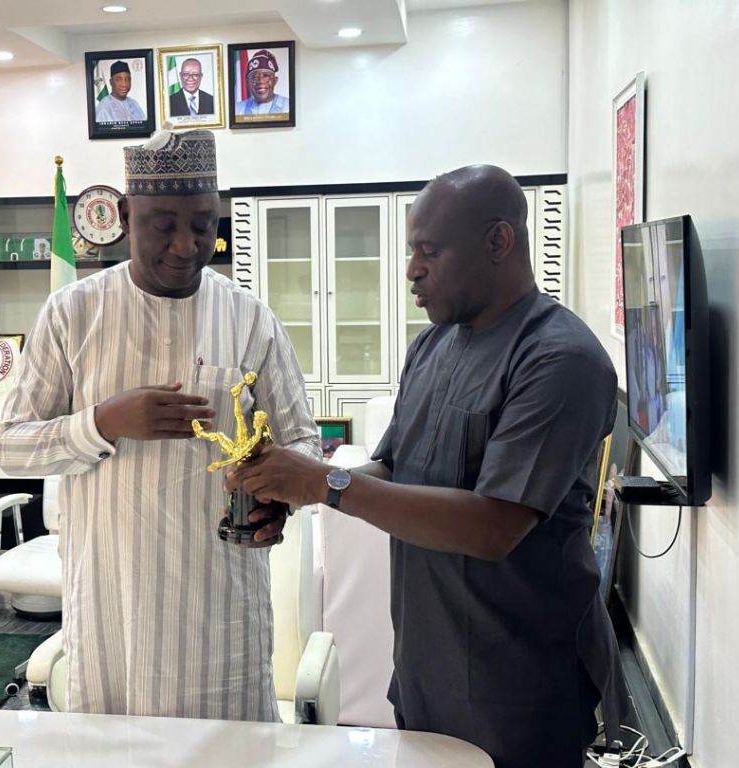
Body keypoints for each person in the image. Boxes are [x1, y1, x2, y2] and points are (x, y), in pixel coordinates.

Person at [226, 165, 628, 768]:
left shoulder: (559, 359)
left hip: (520, 687)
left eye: (429, 251)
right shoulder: (434, 345)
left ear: (498, 243)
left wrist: (325, 482)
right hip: (424, 669)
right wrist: (294, 491)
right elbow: (394, 468)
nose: (411, 269)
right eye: (411, 250)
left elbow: (492, 527)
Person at [0, 128, 320, 721]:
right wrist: (102, 421)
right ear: (125, 215)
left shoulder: (250, 318)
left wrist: (281, 500)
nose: (184, 245)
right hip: (114, 605)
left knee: (230, 757)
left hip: (219, 606)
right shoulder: (73, 312)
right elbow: (12, 448)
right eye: (162, 224)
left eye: (202, 224)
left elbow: (302, 440)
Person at [235, 50, 289, 117]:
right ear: (247, 82)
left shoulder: (288, 106)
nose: (260, 81)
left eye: (266, 76)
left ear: (275, 81)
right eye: (254, 77)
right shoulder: (237, 109)